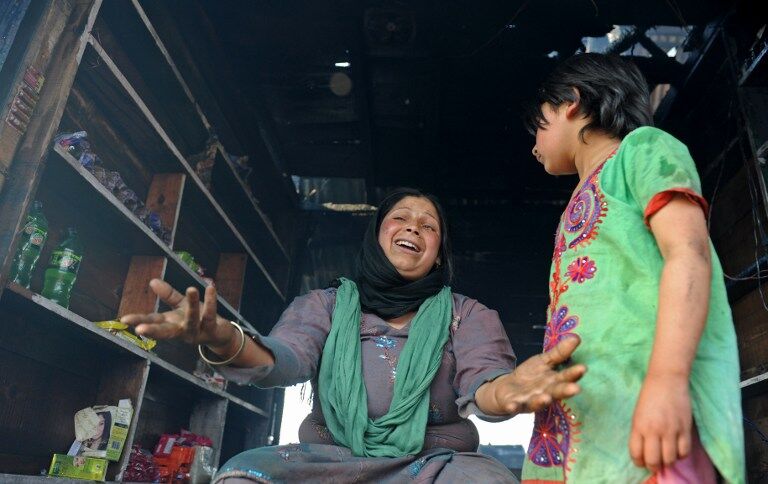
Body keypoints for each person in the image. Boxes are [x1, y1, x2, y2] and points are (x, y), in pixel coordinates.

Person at [122, 188, 587, 483]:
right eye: (400, 218)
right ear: (376, 237)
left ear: (439, 255)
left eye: (429, 226)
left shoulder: (468, 315)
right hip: (324, 459)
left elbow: (485, 384)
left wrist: (508, 393)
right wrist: (225, 340)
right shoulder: (324, 306)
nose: (413, 228)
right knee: (240, 479)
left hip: (438, 465)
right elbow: (284, 359)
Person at [523, 53, 745, 483]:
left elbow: (688, 254)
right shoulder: (576, 200)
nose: (534, 143)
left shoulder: (643, 149)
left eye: (539, 123)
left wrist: (668, 381)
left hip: (648, 408)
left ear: (571, 101)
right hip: (586, 425)